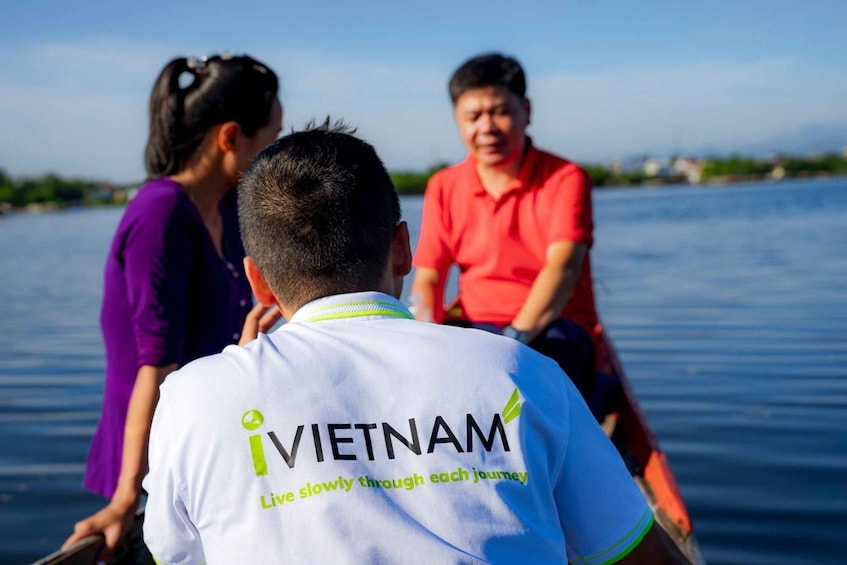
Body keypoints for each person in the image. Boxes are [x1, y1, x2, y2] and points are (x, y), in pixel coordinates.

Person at [141, 122, 688, 563]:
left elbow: (179, 552)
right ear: (403, 249)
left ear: (257, 279)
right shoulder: (522, 371)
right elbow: (644, 556)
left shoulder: (195, 397)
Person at [63, 54, 283, 560]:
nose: (275, 153)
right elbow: (156, 362)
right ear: (230, 137)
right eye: (271, 138)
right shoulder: (159, 214)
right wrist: (125, 498)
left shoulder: (227, 206)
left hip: (204, 440)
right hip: (145, 458)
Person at [411, 53, 601, 402]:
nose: (487, 127)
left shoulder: (565, 178)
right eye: (473, 116)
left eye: (500, 111)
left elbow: (563, 267)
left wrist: (513, 343)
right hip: (477, 325)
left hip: (551, 326)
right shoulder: (444, 185)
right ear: (457, 119)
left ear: (526, 111)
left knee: (542, 391)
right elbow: (429, 277)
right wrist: (422, 337)